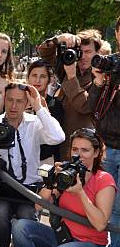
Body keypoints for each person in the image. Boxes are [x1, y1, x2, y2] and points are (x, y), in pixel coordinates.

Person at [13, 129, 115, 247]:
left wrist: (80, 192)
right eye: (75, 149)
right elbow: (38, 207)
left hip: (92, 246)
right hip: (63, 237)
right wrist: (52, 181)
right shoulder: (68, 173)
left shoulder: (104, 179)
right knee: (20, 227)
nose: (79, 155)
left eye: (85, 150)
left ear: (96, 152)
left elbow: (100, 224)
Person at [0, 82, 65, 247]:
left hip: (29, 191)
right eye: (10, 100)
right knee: (0, 215)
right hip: (2, 190)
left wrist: (39, 106)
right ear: (4, 100)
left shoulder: (34, 123)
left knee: (25, 217)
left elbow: (58, 137)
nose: (14, 106)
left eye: (20, 101)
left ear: (27, 103)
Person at [38, 29, 102, 158]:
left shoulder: (101, 75)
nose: (83, 56)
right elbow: (44, 52)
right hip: (63, 142)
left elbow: (86, 106)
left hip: (86, 146)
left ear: (97, 53)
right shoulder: (69, 64)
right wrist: (60, 39)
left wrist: (71, 76)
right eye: (80, 52)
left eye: (88, 52)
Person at [86, 48, 120, 247]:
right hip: (107, 145)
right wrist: (98, 80)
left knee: (119, 208)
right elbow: (92, 107)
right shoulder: (112, 64)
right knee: (107, 206)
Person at [27, 59, 65, 163]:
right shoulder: (18, 101)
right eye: (34, 75)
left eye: (42, 76)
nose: (37, 80)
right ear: (28, 77)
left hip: (45, 160)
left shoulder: (55, 104)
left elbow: (56, 138)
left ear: (49, 80)